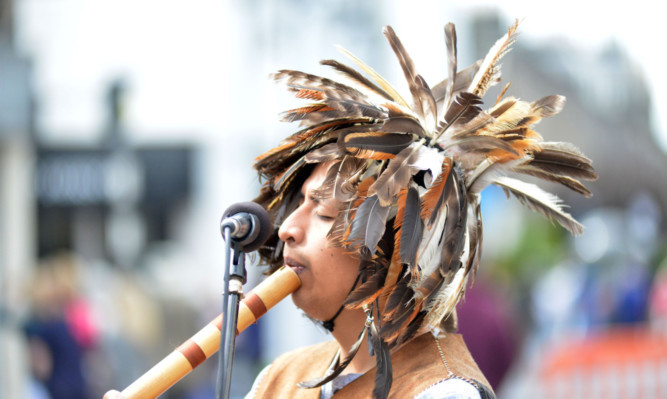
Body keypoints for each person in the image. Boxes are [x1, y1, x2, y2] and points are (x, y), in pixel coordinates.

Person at [105, 19, 596, 399]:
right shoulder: (283, 378)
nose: (287, 230)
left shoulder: (441, 391)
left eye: (322, 213)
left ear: (398, 246)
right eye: (296, 206)